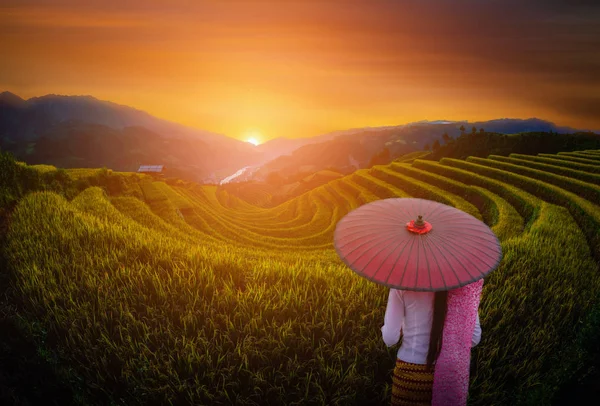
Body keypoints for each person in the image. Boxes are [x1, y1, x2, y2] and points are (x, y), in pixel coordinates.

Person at [381, 281, 483, 406]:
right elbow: (474, 338)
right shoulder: (460, 288)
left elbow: (390, 339)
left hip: (408, 376)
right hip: (445, 377)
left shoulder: (400, 285)